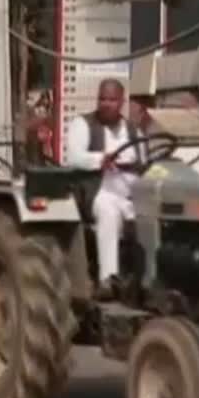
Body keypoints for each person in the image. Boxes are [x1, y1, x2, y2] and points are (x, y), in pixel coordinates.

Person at [64, 78, 143, 298]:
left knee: (153, 215)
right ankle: (108, 279)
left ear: (121, 101)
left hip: (131, 194)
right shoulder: (84, 124)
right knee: (109, 211)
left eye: (111, 99)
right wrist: (100, 159)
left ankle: (145, 278)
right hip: (99, 191)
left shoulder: (133, 130)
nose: (106, 104)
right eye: (102, 99)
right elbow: (74, 157)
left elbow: (145, 161)